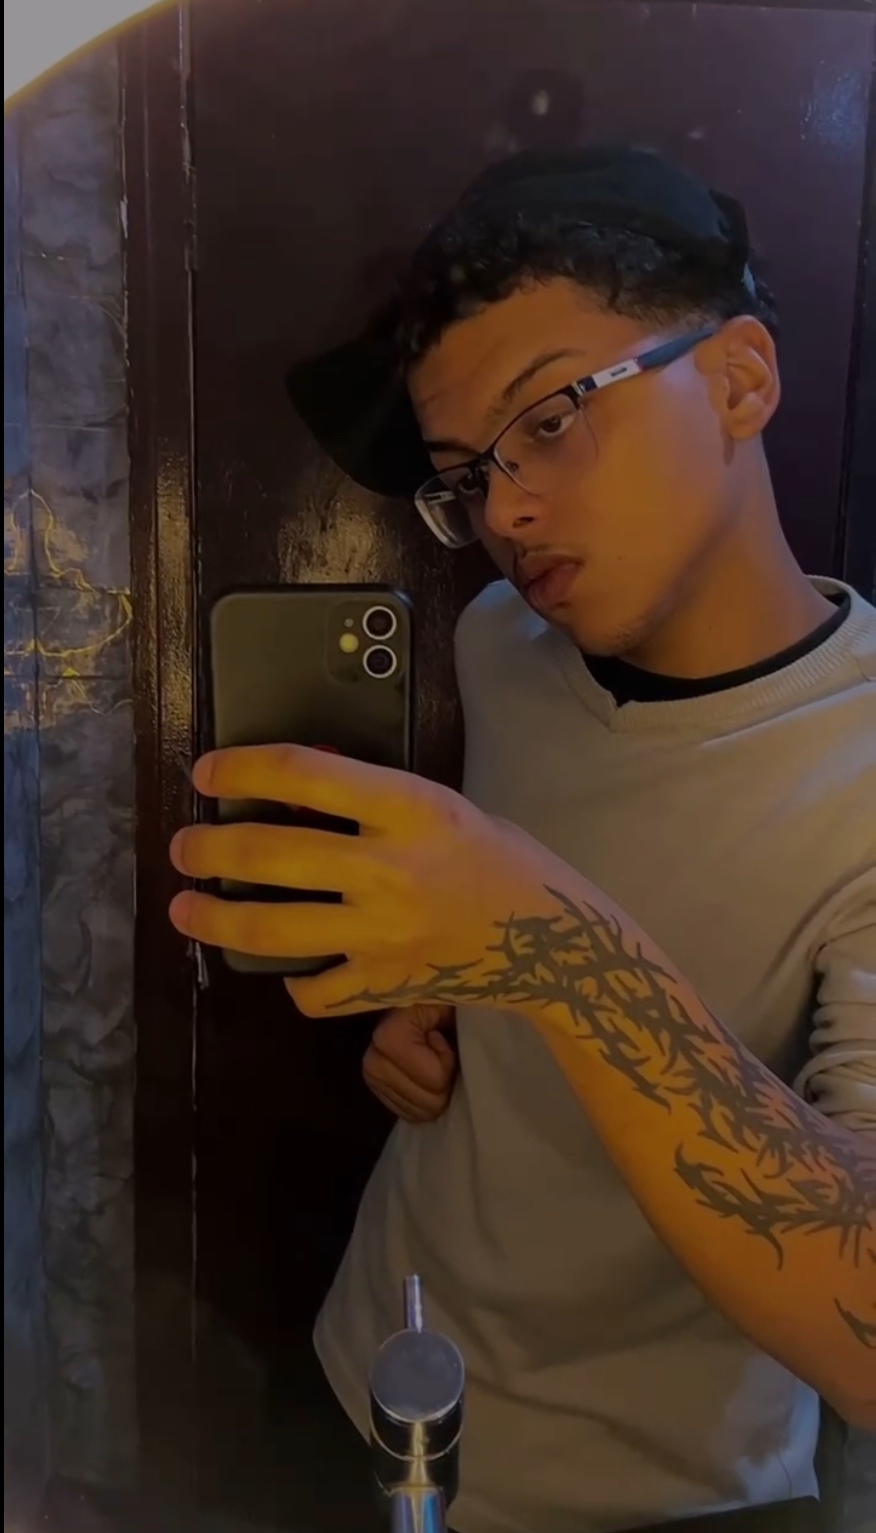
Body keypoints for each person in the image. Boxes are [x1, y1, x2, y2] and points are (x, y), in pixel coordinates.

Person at [168, 146, 876, 1533]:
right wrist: (449, 1013)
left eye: (549, 418)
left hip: (656, 1496)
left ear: (739, 381)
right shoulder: (505, 639)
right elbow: (515, 940)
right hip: (370, 1365)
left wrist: (549, 944)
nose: (502, 514)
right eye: (465, 476)